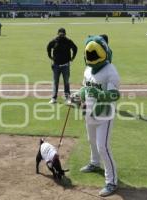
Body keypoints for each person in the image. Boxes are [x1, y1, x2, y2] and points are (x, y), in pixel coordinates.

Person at [71, 35, 120, 197]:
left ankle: (111, 182)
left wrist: (98, 93)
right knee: (91, 141)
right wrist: (77, 96)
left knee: (103, 147)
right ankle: (94, 163)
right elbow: (85, 88)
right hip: (89, 112)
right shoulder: (87, 70)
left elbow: (114, 95)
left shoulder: (110, 71)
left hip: (104, 115)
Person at [47, 28, 77, 104]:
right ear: (58, 34)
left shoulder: (68, 41)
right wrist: (50, 56)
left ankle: (67, 98)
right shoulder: (54, 41)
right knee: (55, 82)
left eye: (62, 34)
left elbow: (75, 48)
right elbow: (48, 47)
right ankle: (54, 98)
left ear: (65, 34)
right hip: (56, 65)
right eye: (60, 34)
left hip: (65, 65)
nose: (61, 35)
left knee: (66, 82)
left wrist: (72, 58)